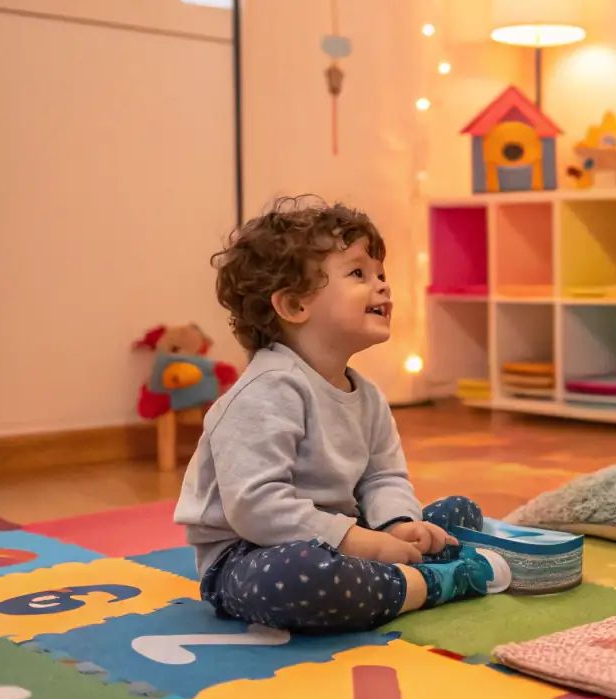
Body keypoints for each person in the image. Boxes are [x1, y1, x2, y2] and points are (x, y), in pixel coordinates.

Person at [174, 197, 510, 633]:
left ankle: (407, 575)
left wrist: (399, 526)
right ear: (294, 306)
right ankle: (425, 583)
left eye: (381, 274)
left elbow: (383, 478)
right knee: (300, 576)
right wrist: (356, 541)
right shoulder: (264, 392)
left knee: (459, 513)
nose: (383, 286)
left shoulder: (367, 396)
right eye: (358, 274)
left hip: (347, 534)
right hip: (251, 553)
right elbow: (255, 508)